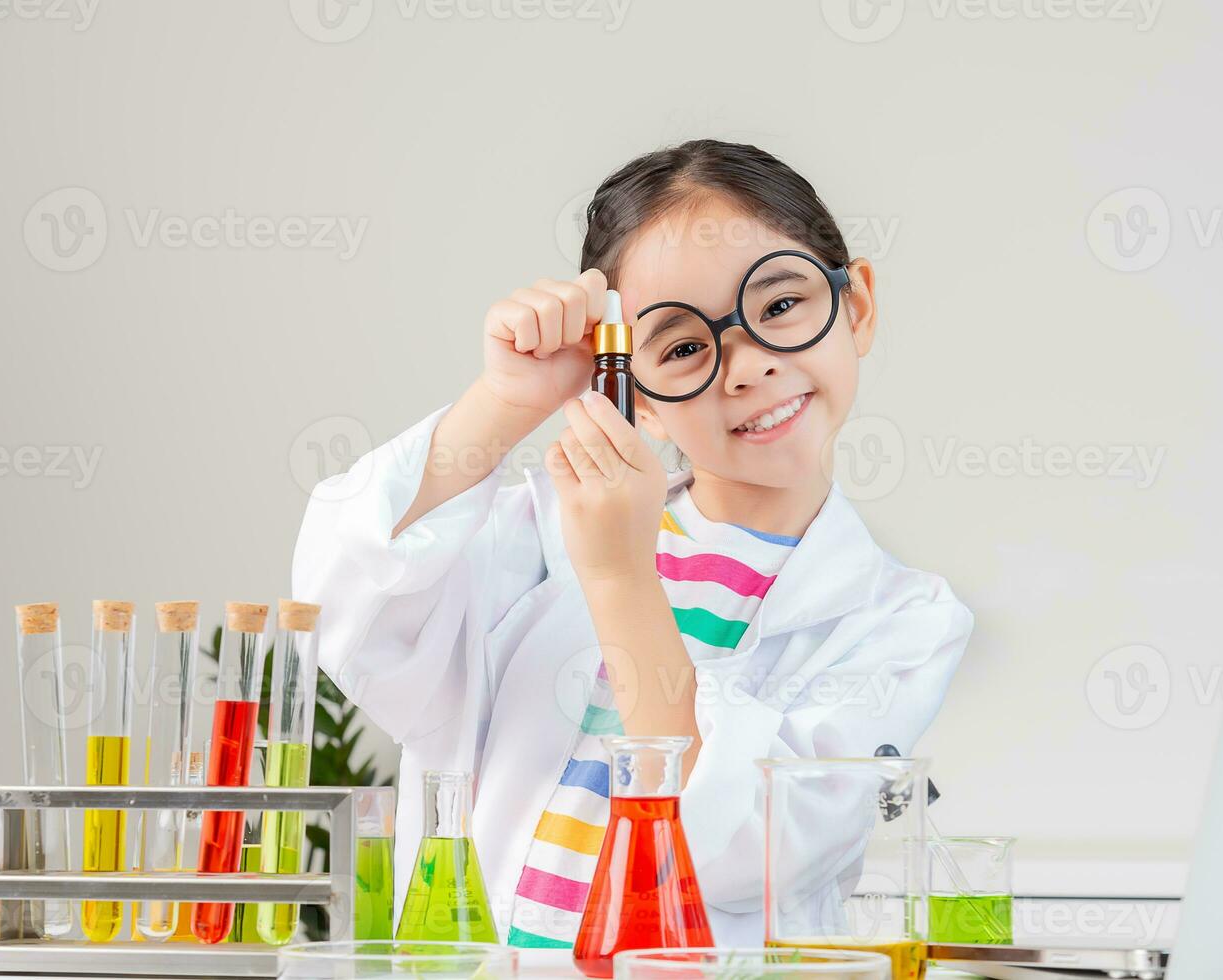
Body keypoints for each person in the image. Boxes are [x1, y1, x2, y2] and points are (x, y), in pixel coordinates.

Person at [292, 138, 974, 947]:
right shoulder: (548, 532)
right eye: (684, 348)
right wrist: (505, 401)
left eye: (781, 306)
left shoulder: (902, 623)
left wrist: (620, 579)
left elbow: (727, 848)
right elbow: (348, 612)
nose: (747, 365)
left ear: (855, 305)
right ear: (638, 396)